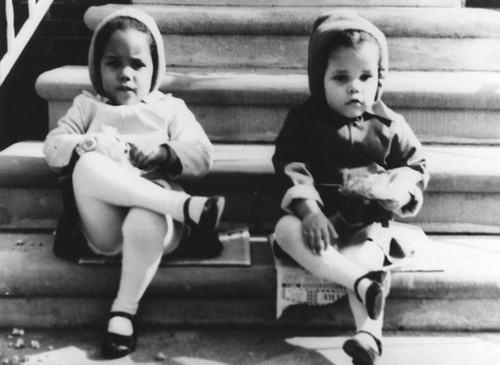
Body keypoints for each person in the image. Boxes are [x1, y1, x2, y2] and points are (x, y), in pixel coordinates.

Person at [43, 8, 225, 359]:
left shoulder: (169, 108)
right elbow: (52, 148)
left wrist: (164, 153)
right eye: (113, 63)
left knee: (146, 212)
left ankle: (122, 314)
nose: (126, 74)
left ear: (155, 69)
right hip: (105, 228)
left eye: (138, 65)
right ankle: (188, 209)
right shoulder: (86, 107)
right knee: (89, 165)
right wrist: (88, 144)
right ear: (97, 67)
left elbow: (203, 155)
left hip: (157, 227)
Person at [272, 10, 429, 365]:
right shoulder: (305, 120)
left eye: (365, 76)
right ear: (319, 78)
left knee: (364, 255)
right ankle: (361, 283)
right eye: (340, 77)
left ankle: (368, 335)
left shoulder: (389, 124)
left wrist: (399, 190)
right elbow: (289, 164)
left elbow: (415, 165)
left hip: (365, 222)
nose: (354, 87)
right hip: (319, 221)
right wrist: (309, 212)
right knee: (284, 230)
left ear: (379, 78)